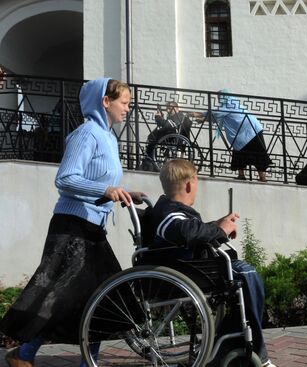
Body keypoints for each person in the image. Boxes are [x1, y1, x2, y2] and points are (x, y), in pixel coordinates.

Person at [1, 78, 145, 367]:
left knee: (99, 298)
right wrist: (105, 191)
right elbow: (65, 178)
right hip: (72, 227)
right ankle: (25, 352)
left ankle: (56, 357)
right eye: (124, 103)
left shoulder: (108, 138)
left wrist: (124, 193)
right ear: (105, 101)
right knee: (61, 295)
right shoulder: (86, 134)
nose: (128, 108)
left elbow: (99, 181)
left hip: (92, 228)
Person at [150, 159, 275, 367]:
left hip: (193, 270)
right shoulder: (168, 212)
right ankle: (256, 356)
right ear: (190, 184)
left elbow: (193, 232)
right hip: (186, 274)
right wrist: (219, 229)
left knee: (244, 279)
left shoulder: (173, 210)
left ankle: (230, 347)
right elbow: (183, 231)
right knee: (248, 275)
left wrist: (220, 225)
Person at [197, 90, 272, 182]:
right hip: (250, 130)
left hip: (249, 131)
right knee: (251, 152)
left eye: (219, 97)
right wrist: (203, 117)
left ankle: (255, 176)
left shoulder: (228, 105)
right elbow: (217, 115)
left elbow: (216, 114)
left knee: (251, 152)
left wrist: (201, 115)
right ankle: (255, 176)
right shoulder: (233, 102)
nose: (219, 99)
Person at [141, 101, 193, 171]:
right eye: (167, 109)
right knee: (152, 137)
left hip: (172, 138)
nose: (168, 111)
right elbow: (167, 125)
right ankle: (149, 160)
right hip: (170, 137)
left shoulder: (179, 116)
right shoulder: (174, 116)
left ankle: (149, 160)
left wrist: (158, 118)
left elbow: (169, 125)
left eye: (170, 109)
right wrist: (160, 118)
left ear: (177, 108)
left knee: (153, 138)